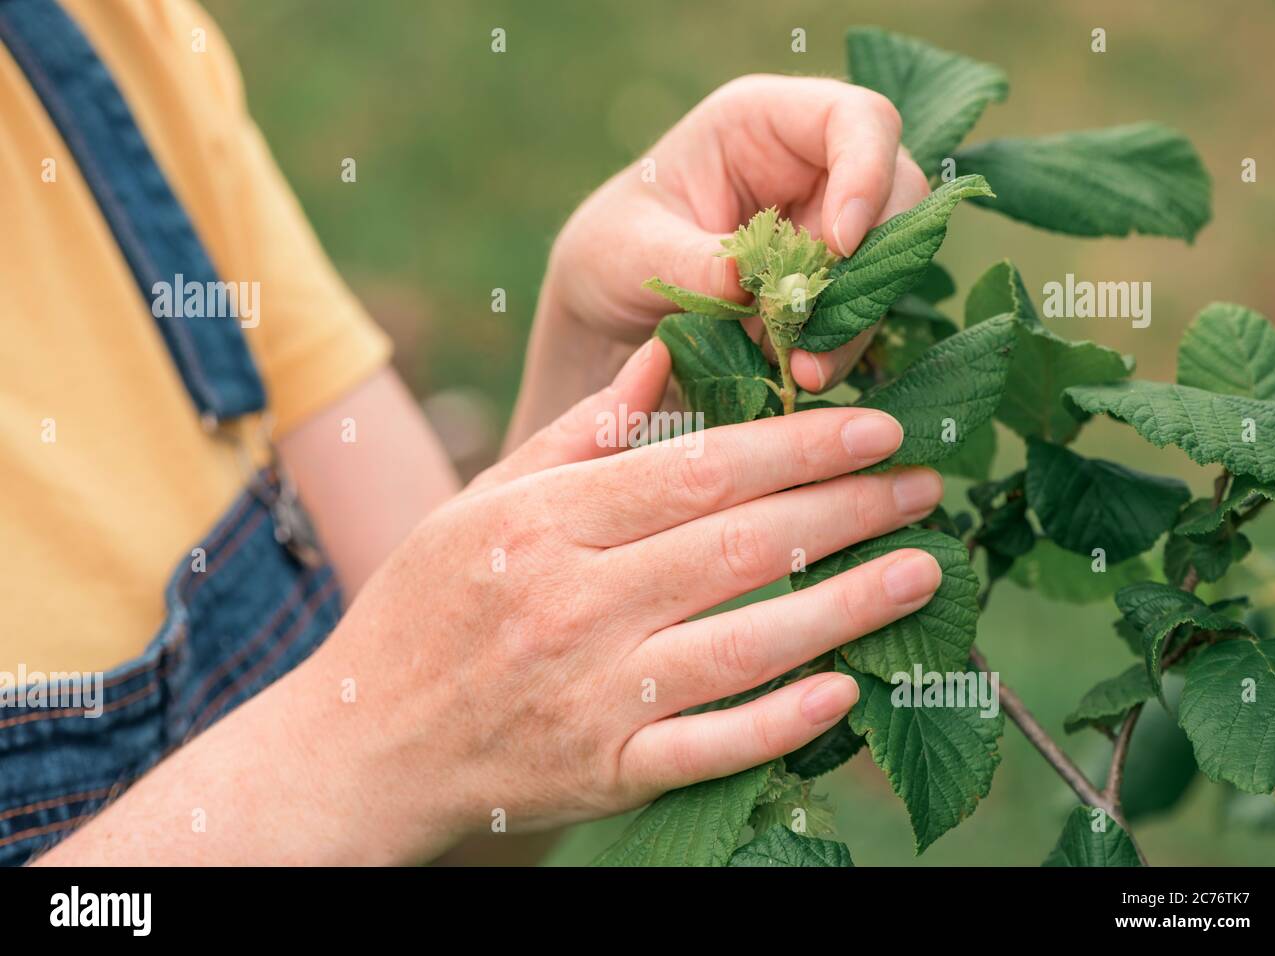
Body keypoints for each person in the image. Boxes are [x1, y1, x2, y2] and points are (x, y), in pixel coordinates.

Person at [0, 0, 941, 866]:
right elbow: (404, 736)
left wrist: (605, 360)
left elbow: (459, 785)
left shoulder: (105, 47)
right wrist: (349, 748)